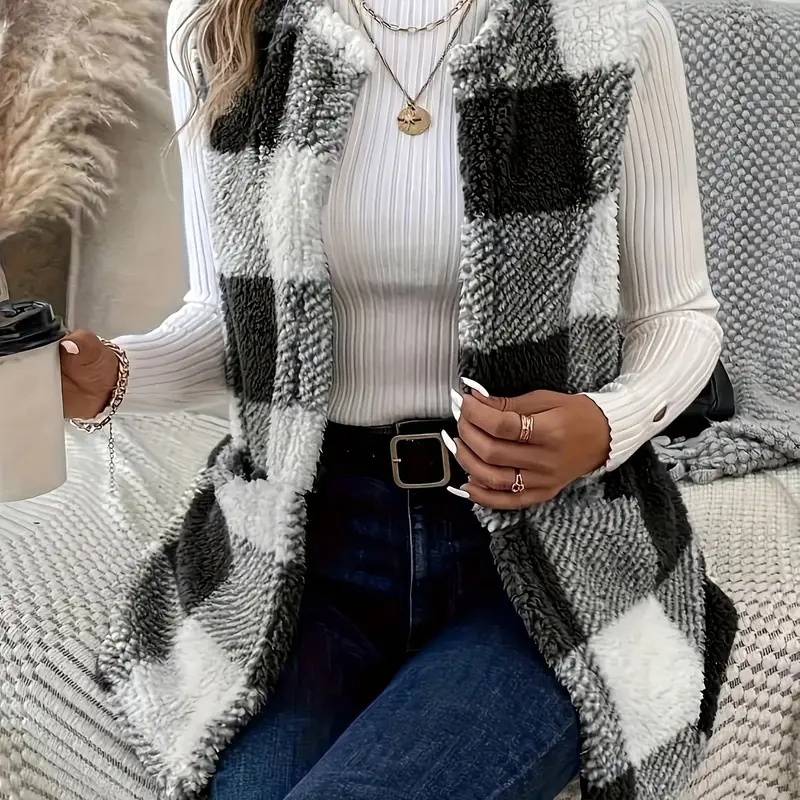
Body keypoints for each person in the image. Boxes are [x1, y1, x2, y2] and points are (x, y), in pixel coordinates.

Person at [61, 0, 738, 797]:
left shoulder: (609, 24)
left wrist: (604, 424)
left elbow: (678, 316)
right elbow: (236, 317)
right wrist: (117, 375)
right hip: (301, 555)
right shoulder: (222, 22)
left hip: (545, 550)